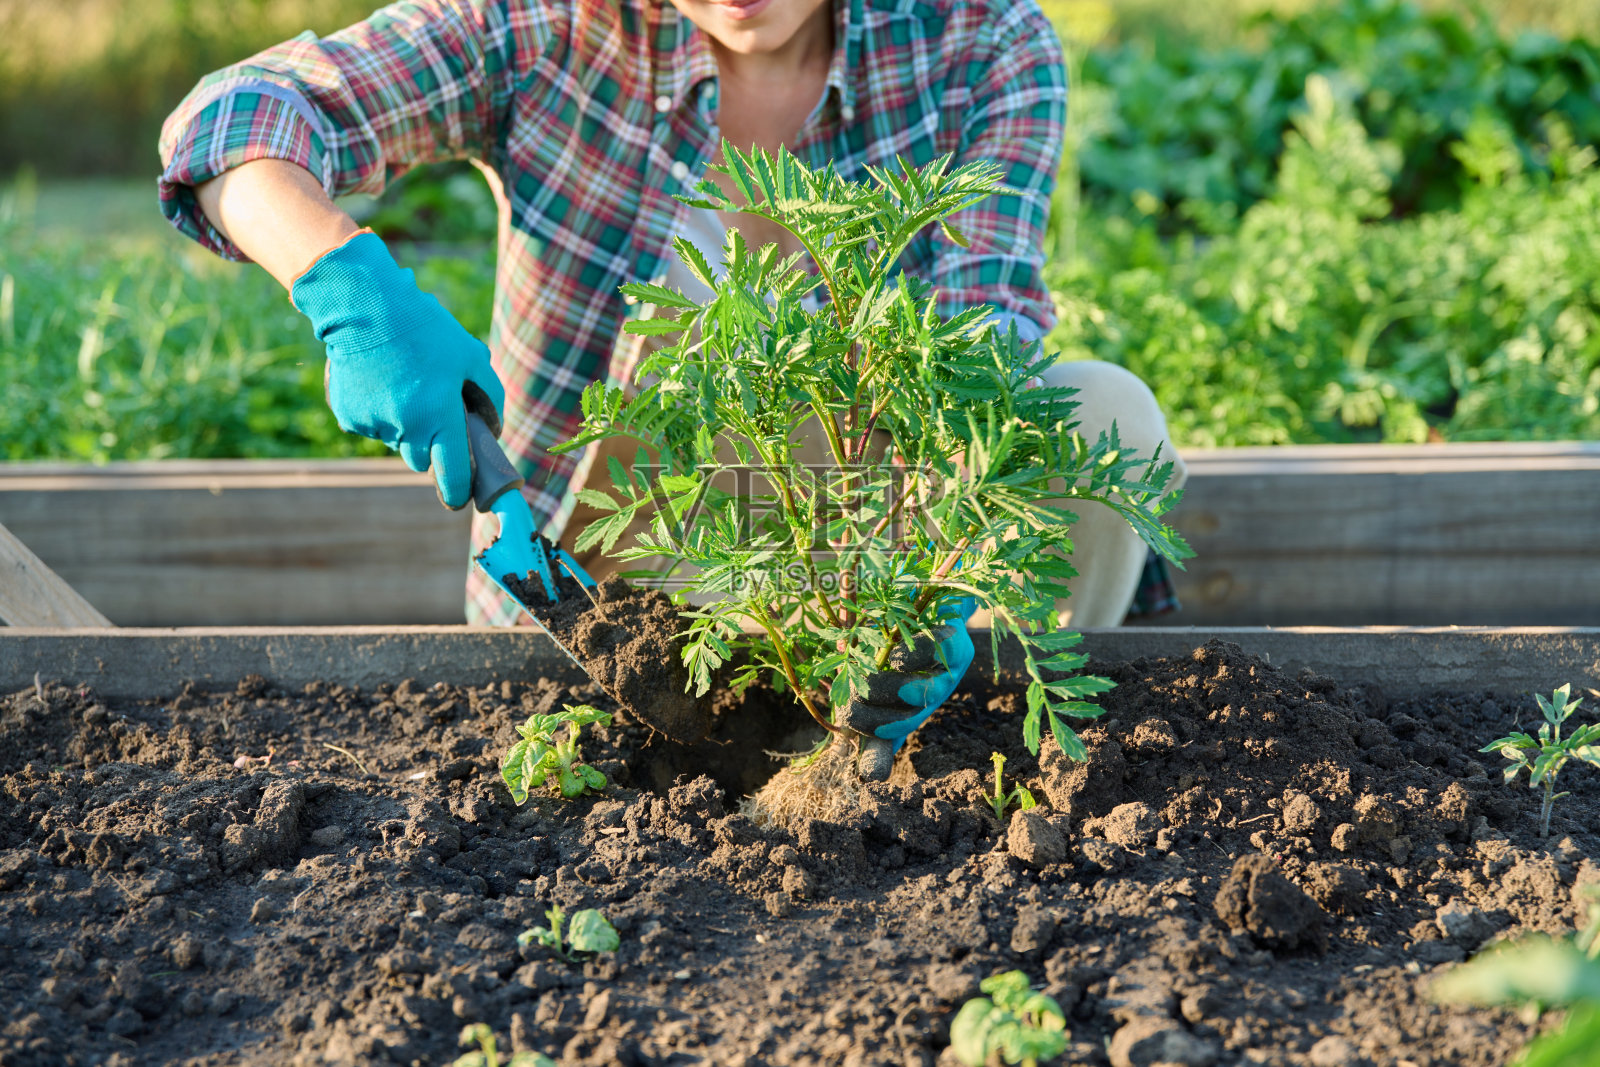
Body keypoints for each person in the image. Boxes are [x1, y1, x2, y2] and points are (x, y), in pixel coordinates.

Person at [158, 0, 1186, 760]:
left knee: (1106, 416)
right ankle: (682, 752)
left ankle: (981, 749)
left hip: (879, 555)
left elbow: (982, 336)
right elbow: (237, 115)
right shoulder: (547, 27)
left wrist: (943, 564)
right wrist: (347, 286)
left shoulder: (980, 41)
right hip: (614, 611)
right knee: (701, 375)